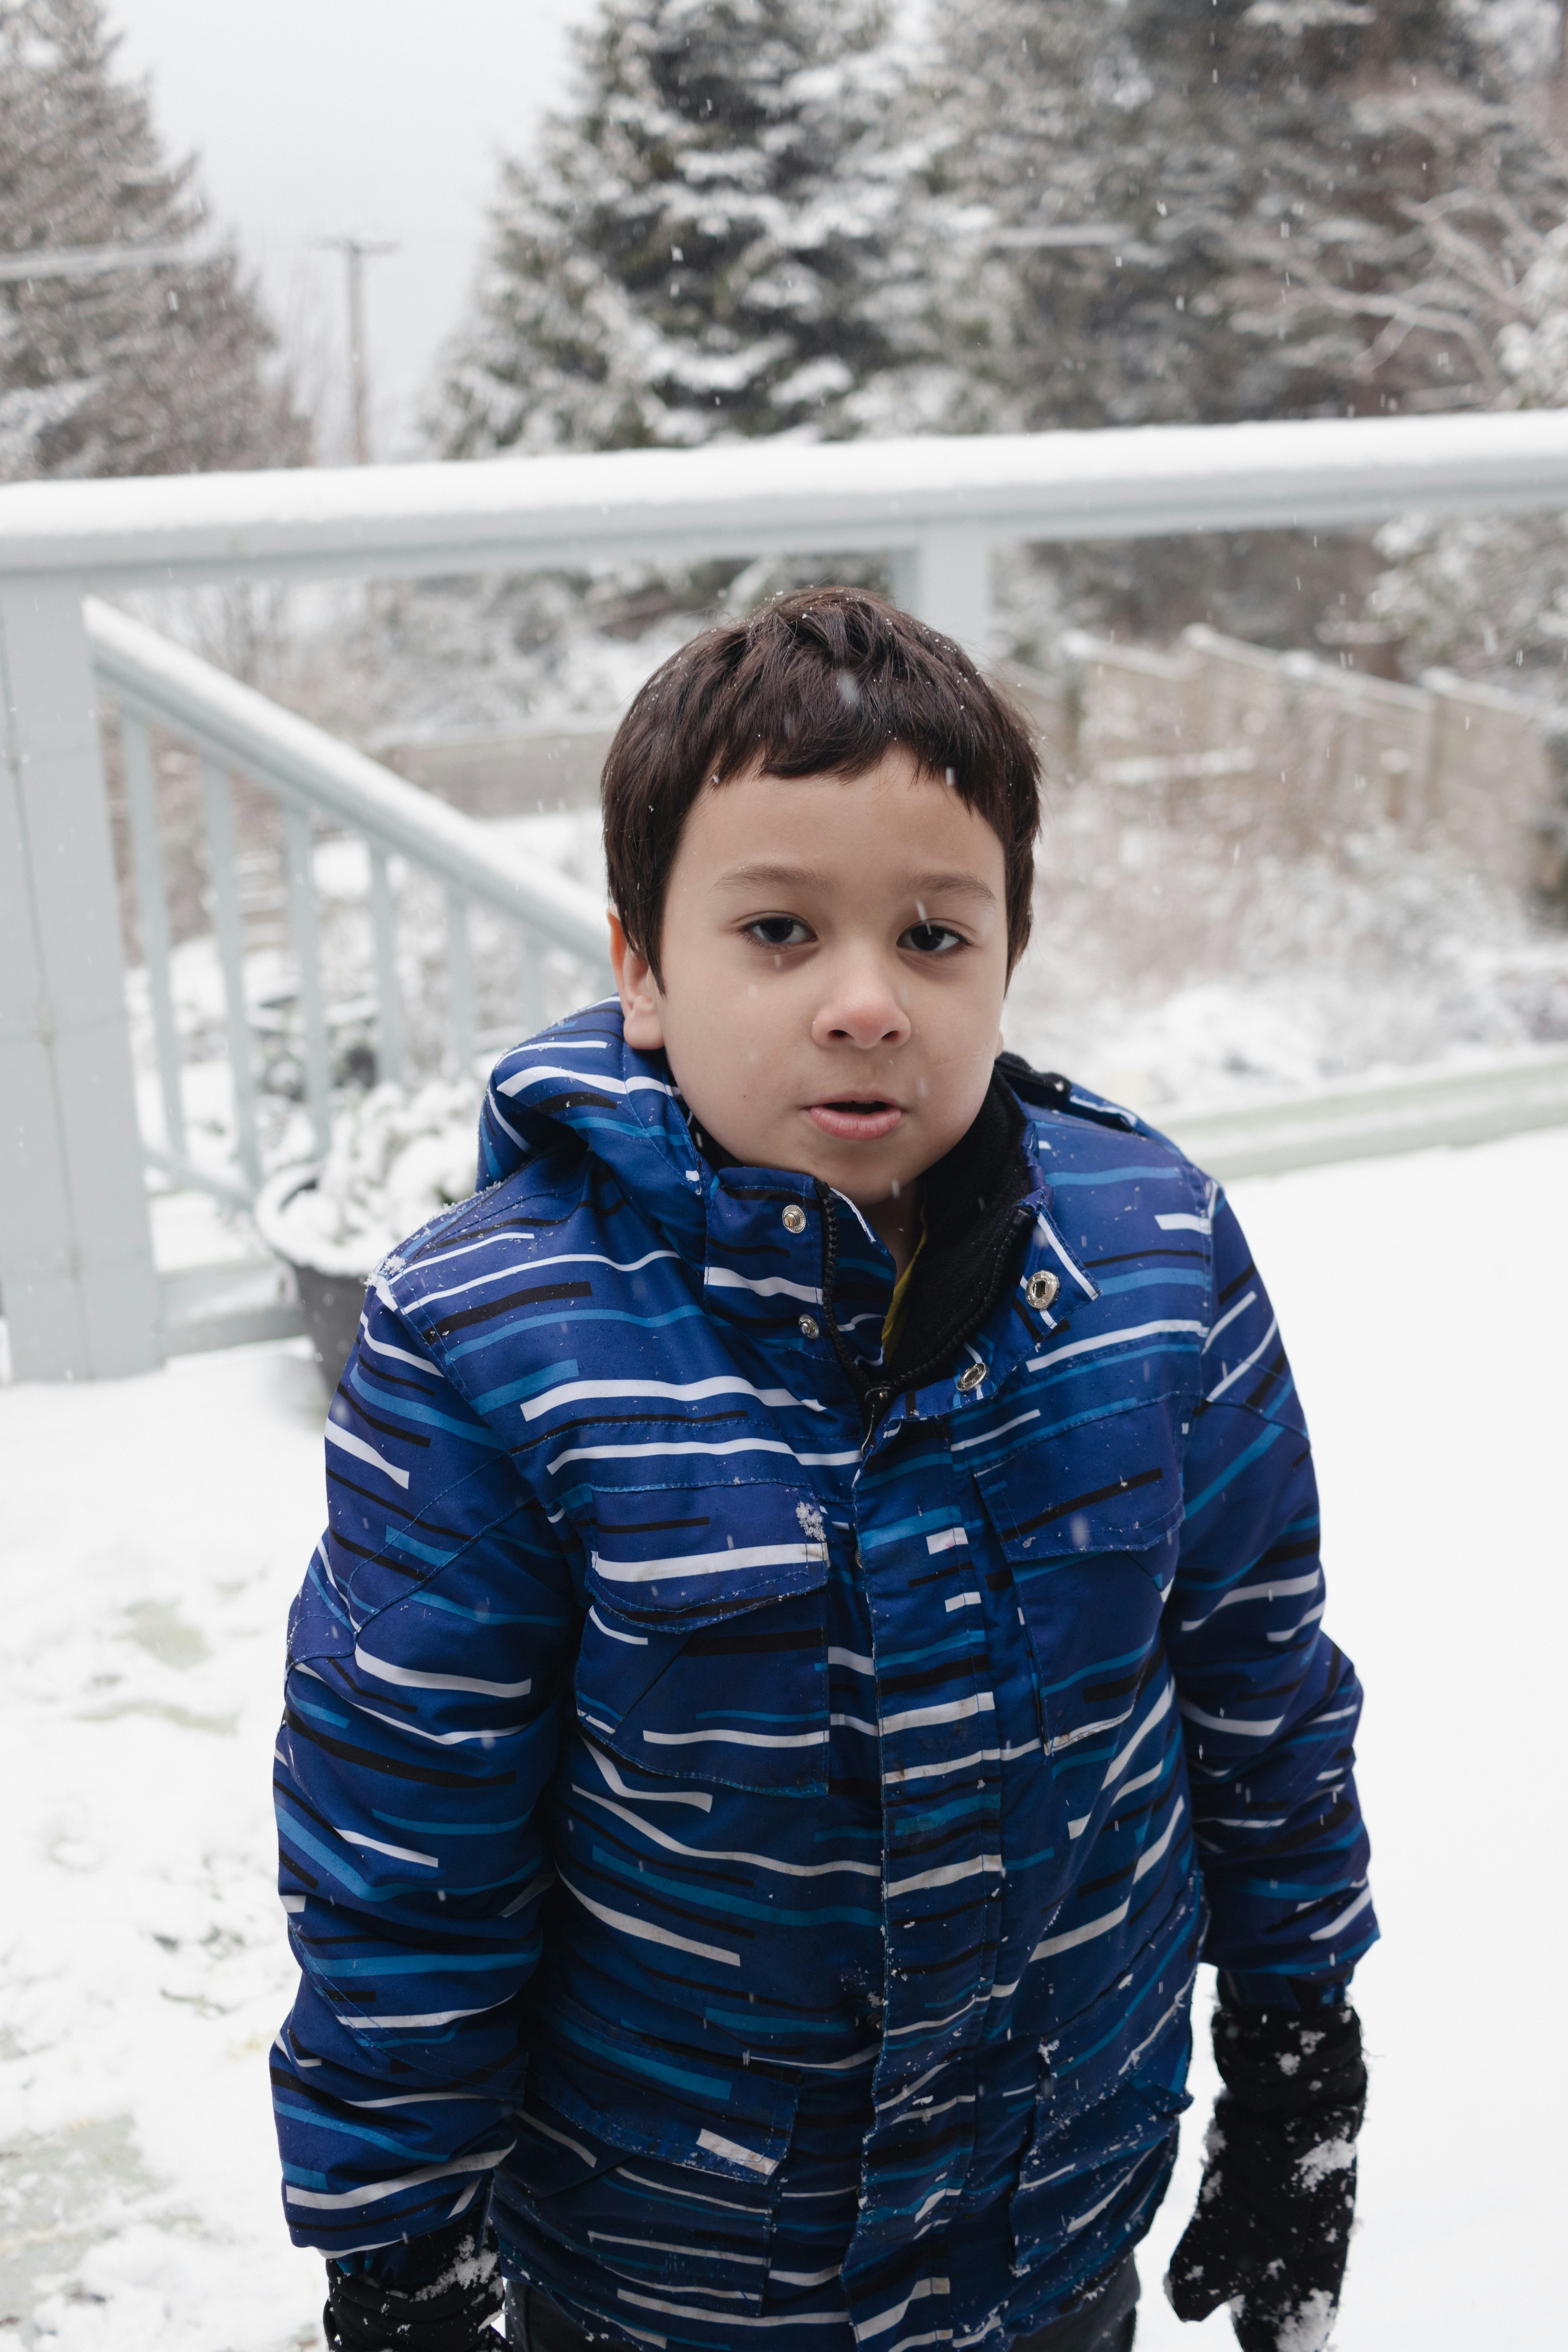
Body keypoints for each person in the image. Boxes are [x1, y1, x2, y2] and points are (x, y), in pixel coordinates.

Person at [272, 588, 1374, 2352]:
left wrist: (1298, 2038)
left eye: (933, 938)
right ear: (642, 966)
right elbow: (407, 1838)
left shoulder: (1154, 1263)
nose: (865, 1002)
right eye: (779, 930)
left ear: (1010, 950)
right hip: (665, 2275)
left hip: (1056, 2213)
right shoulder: (489, 1348)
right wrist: (401, 2251)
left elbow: (1257, 1681)